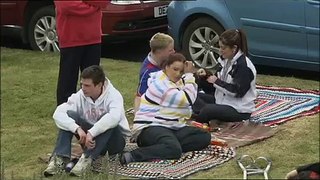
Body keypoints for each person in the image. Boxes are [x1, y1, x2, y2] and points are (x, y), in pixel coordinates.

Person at [120, 53, 211, 165]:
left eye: (181, 71)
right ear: (166, 67)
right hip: (149, 128)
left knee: (204, 137)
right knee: (174, 149)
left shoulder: (176, 81)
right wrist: (188, 75)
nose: (178, 74)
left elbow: (189, 91)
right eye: (175, 69)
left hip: (171, 127)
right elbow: (186, 99)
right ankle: (134, 155)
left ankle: (164, 147)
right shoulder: (160, 84)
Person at [43, 65, 131, 177]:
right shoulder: (80, 95)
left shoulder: (114, 96)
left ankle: (86, 159)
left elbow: (114, 118)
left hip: (114, 143)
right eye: (82, 84)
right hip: (89, 142)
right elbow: (58, 113)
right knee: (69, 114)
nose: (83, 88)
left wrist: (92, 132)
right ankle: (60, 159)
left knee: (108, 118)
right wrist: (77, 129)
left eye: (87, 85)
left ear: (99, 85)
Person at [192, 29, 257, 124]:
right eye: (219, 47)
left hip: (239, 110)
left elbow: (237, 92)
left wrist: (216, 81)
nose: (220, 51)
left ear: (234, 48)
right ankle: (201, 114)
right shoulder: (226, 60)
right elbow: (218, 80)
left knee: (208, 110)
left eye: (223, 48)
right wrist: (206, 75)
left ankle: (197, 122)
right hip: (222, 100)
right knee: (192, 96)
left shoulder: (244, 66)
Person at [54, 0, 108, 106]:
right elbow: (66, 5)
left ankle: (92, 106)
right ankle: (65, 109)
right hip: (70, 37)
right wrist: (93, 7)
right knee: (68, 78)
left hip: (93, 36)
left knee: (93, 78)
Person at [133, 32, 175, 113]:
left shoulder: (162, 59)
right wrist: (138, 116)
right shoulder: (148, 72)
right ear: (159, 52)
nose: (174, 52)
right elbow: (139, 96)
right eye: (170, 50)